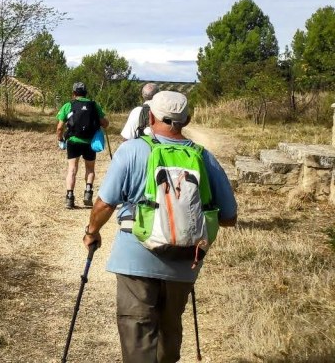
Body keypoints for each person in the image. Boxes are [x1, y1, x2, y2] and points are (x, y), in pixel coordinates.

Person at [82, 90, 238, 363]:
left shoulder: (131, 151)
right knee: (170, 326)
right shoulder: (204, 157)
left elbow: (105, 205)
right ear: (186, 120)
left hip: (135, 259)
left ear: (151, 116)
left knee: (137, 329)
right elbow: (229, 217)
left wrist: (91, 232)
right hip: (184, 263)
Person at [56, 82, 109, 209]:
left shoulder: (68, 105)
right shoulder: (94, 105)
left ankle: (69, 198)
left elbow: (59, 127)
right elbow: (104, 123)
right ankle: (88, 193)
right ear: (86, 93)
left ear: (74, 93)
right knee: (90, 169)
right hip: (90, 142)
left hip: (73, 141)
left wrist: (60, 138)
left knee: (72, 169)